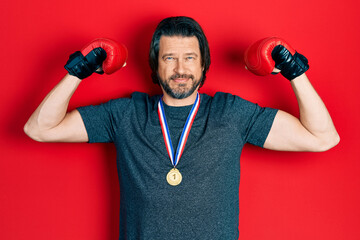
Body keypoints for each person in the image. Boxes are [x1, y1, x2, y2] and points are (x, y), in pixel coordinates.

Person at [24, 16, 339, 240]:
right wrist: (77, 71)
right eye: (169, 58)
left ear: (203, 66)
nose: (180, 69)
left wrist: (293, 69)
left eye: (190, 57)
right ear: (155, 65)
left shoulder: (231, 113)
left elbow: (323, 138)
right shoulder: (126, 114)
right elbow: (40, 129)